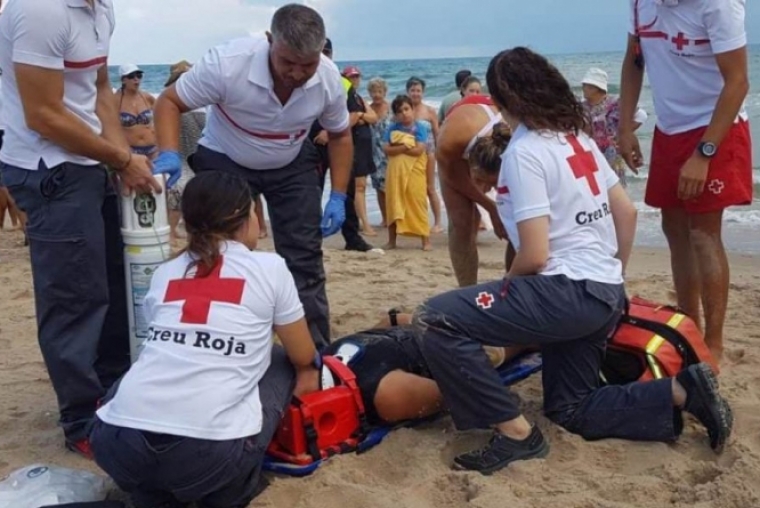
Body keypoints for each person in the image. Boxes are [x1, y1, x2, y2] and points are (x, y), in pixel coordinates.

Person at [416, 47, 732, 475]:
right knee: (571, 407)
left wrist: (508, 289)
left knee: (435, 319)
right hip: (603, 291)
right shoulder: (577, 139)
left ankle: (516, 434)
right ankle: (680, 391)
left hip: (564, 291)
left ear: (502, 101)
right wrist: (611, 273)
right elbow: (627, 213)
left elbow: (534, 253)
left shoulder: (524, 153)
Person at [91, 171, 321, 508]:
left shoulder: (165, 272)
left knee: (147, 367)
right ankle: (233, 488)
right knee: (283, 359)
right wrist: (307, 375)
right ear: (246, 218)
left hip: (116, 447)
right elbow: (303, 354)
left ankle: (153, 488)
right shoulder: (269, 267)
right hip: (207, 458)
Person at [0, 0, 159, 457]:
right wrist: (121, 158)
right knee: (74, 297)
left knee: (113, 280)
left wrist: (120, 157)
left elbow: (99, 89)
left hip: (93, 163)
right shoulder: (41, 9)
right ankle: (81, 418)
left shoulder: (100, 8)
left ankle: (113, 389)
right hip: (47, 169)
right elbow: (43, 115)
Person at [153, 4, 354, 349]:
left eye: (307, 65)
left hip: (291, 161)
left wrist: (338, 195)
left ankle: (314, 350)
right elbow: (169, 102)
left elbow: (341, 135)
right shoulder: (227, 63)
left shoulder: (329, 79)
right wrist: (169, 152)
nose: (296, 73)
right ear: (268, 40)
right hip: (226, 156)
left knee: (304, 257)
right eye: (287, 62)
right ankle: (212, 337)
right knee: (217, 250)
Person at [618, 0, 752, 362]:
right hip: (669, 128)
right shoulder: (640, 3)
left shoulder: (718, 6)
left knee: (703, 233)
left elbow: (738, 82)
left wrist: (703, 153)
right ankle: (688, 326)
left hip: (716, 127)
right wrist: (624, 124)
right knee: (673, 228)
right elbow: (635, 60)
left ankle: (714, 343)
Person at [435, 93, 510, 287]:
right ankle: (467, 289)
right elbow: (453, 177)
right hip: (461, 135)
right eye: (483, 182)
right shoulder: (450, 140)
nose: (487, 190)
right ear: (471, 167)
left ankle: (514, 286)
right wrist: (491, 207)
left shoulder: (520, 147)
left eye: (494, 185)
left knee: (516, 225)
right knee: (462, 221)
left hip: (495, 127)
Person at [310, 38, 374, 252]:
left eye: (326, 53)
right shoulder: (302, 80)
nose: (323, 57)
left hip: (338, 143)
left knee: (345, 191)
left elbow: (354, 113)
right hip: (311, 146)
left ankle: (352, 237)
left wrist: (330, 132)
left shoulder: (342, 82)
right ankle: (310, 238)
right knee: (310, 192)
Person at [580, 67, 646, 188]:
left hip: (613, 153)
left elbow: (641, 115)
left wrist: (623, 133)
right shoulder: (581, 106)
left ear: (598, 88)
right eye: (584, 85)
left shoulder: (614, 103)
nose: (584, 89)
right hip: (591, 153)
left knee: (616, 188)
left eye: (588, 86)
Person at [163, 60, 206, 244]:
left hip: (191, 153)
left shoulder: (192, 103)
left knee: (188, 194)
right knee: (179, 192)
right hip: (182, 154)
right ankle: (172, 231)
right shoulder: (176, 104)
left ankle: (182, 230)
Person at [383, 95, 431, 251]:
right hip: (395, 173)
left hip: (415, 171)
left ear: (412, 109)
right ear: (395, 114)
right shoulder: (391, 128)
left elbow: (419, 150)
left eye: (406, 109)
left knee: (418, 202)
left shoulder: (420, 127)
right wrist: (405, 146)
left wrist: (400, 146)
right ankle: (392, 241)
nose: (404, 113)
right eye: (399, 111)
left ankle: (425, 241)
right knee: (393, 202)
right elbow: (386, 149)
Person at [342, 65, 378, 238]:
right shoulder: (345, 97)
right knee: (358, 186)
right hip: (354, 145)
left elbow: (373, 117)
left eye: (356, 77)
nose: (354, 80)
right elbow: (351, 118)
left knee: (361, 185)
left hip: (364, 146)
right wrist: (359, 116)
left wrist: (361, 116)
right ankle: (364, 224)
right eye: (351, 77)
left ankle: (360, 222)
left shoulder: (359, 98)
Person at [406, 77, 443, 234]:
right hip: (408, 154)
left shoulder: (429, 111)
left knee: (429, 188)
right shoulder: (404, 110)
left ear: (423, 92)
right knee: (411, 188)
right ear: (407, 91)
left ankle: (438, 222)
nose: (415, 93)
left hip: (428, 153)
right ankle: (415, 222)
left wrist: (441, 154)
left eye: (418, 90)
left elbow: (437, 133)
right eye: (413, 90)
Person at [115, 64, 157, 158]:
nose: (136, 79)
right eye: (131, 76)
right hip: (130, 151)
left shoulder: (147, 97)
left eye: (139, 75)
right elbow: (110, 127)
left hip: (153, 149)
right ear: (123, 80)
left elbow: (163, 115)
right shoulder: (115, 100)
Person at [367, 77, 392, 228]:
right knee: (378, 187)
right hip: (374, 153)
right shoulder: (367, 109)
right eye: (373, 91)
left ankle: (396, 217)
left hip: (390, 152)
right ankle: (385, 218)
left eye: (379, 91)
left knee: (392, 187)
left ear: (384, 92)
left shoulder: (391, 108)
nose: (376, 94)